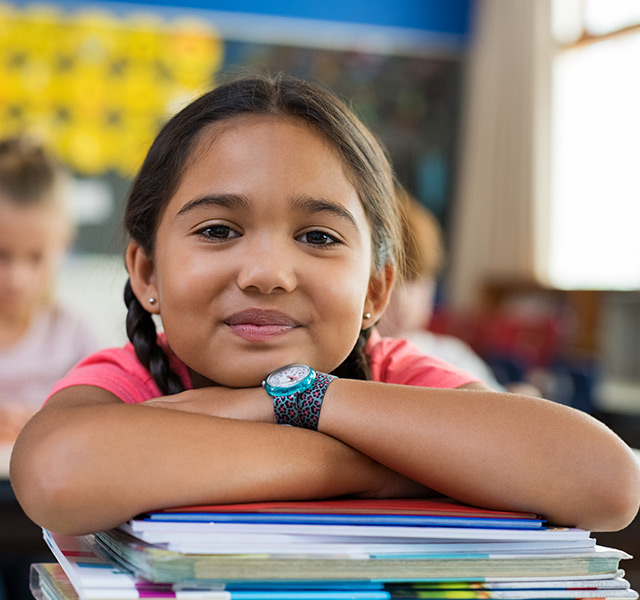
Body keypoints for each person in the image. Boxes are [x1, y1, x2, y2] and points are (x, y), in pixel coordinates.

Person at [9, 74, 640, 538]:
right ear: (147, 271)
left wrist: (299, 398)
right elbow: (60, 472)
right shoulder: (132, 379)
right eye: (219, 230)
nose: (267, 274)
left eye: (318, 237)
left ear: (375, 291)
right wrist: (386, 467)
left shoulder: (397, 374)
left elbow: (607, 483)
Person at [376, 186, 537, 394]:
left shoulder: (449, 353)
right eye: (392, 283)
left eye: (415, 280)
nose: (403, 300)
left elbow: (500, 401)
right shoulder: (360, 365)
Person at [0, 136, 101, 444]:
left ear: (63, 247)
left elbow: (107, 417)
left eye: (36, 257)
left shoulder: (73, 335)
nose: (17, 278)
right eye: (1, 255)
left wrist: (50, 424)